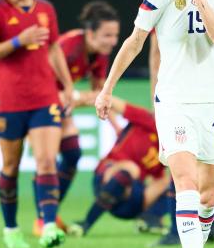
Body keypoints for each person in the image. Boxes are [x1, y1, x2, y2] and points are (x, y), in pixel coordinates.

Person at [95, 0, 214, 248]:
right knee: (185, 181)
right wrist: (107, 89)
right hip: (173, 100)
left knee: (208, 194)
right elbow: (134, 43)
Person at [0, 0, 75, 248]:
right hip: (8, 101)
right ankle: (11, 229)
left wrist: (68, 85)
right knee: (11, 166)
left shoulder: (46, 8)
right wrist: (19, 40)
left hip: (44, 97)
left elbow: (54, 49)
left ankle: (47, 226)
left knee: (46, 162)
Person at [32, 0, 120, 235]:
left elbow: (101, 96)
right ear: (90, 33)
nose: (113, 41)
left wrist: (117, 129)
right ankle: (43, 219)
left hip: (61, 101)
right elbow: (43, 80)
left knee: (72, 154)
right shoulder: (69, 46)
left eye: (115, 35)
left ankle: (49, 214)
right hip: (37, 99)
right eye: (107, 35)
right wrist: (81, 96)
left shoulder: (100, 55)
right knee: (46, 159)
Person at [67, 94, 170, 236]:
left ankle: (150, 219)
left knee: (173, 179)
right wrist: (75, 101)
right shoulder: (146, 119)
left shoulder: (169, 144)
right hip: (106, 181)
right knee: (130, 169)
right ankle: (87, 222)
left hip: (130, 204)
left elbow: (158, 179)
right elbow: (107, 99)